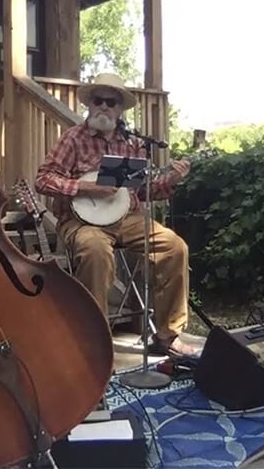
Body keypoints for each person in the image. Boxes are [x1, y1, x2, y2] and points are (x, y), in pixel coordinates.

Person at [35, 72, 196, 357]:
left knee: (175, 247)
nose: (104, 107)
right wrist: (87, 187)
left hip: (128, 218)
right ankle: (94, 341)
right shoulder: (73, 139)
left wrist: (172, 180)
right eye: (99, 100)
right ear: (90, 104)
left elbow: (144, 192)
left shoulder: (132, 144)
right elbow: (43, 180)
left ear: (121, 109)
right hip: (82, 222)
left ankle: (166, 336)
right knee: (95, 251)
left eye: (111, 102)